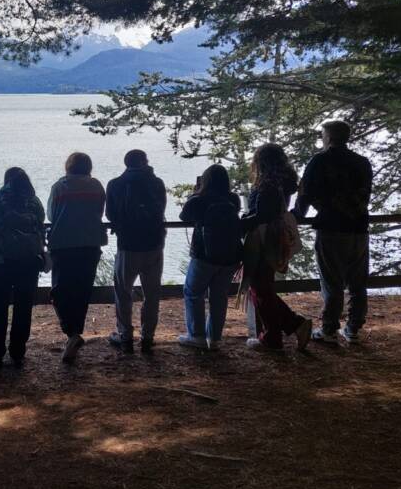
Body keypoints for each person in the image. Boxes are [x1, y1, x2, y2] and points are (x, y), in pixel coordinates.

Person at [293, 120, 373, 344]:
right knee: (358, 283)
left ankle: (329, 329)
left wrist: (296, 216)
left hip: (331, 228)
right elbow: (365, 195)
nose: (322, 138)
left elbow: (305, 192)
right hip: (359, 229)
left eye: (323, 135)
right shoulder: (362, 162)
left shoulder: (320, 161)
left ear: (328, 138)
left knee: (332, 281)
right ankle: (354, 328)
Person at [242, 143, 312, 351]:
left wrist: (239, 222)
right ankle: (288, 327)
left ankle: (276, 335)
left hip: (264, 239)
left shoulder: (267, 185)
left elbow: (262, 215)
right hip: (276, 237)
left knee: (260, 288)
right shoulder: (284, 182)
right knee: (263, 286)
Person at [0, 167, 46, 369]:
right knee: (23, 306)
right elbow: (40, 222)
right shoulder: (34, 201)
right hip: (29, 259)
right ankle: (18, 351)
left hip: (2, 259)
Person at [46, 152, 107, 364]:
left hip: (63, 246)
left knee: (60, 291)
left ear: (68, 167)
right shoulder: (97, 186)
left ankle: (71, 334)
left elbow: (51, 215)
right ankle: (74, 333)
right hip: (90, 245)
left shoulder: (59, 187)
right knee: (82, 290)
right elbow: (100, 212)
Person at [105, 150, 167, 354]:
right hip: (154, 244)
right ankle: (147, 337)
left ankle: (125, 336)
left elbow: (111, 214)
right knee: (152, 293)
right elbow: (161, 210)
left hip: (128, 245)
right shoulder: (156, 183)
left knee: (123, 292)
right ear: (145, 162)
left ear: (126, 163)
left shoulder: (115, 184)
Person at [177, 164, 243, 351]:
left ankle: (196, 336)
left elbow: (184, 216)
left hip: (203, 256)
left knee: (193, 293)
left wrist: (195, 193)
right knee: (219, 297)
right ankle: (214, 338)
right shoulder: (233, 199)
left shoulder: (201, 199)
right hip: (230, 256)